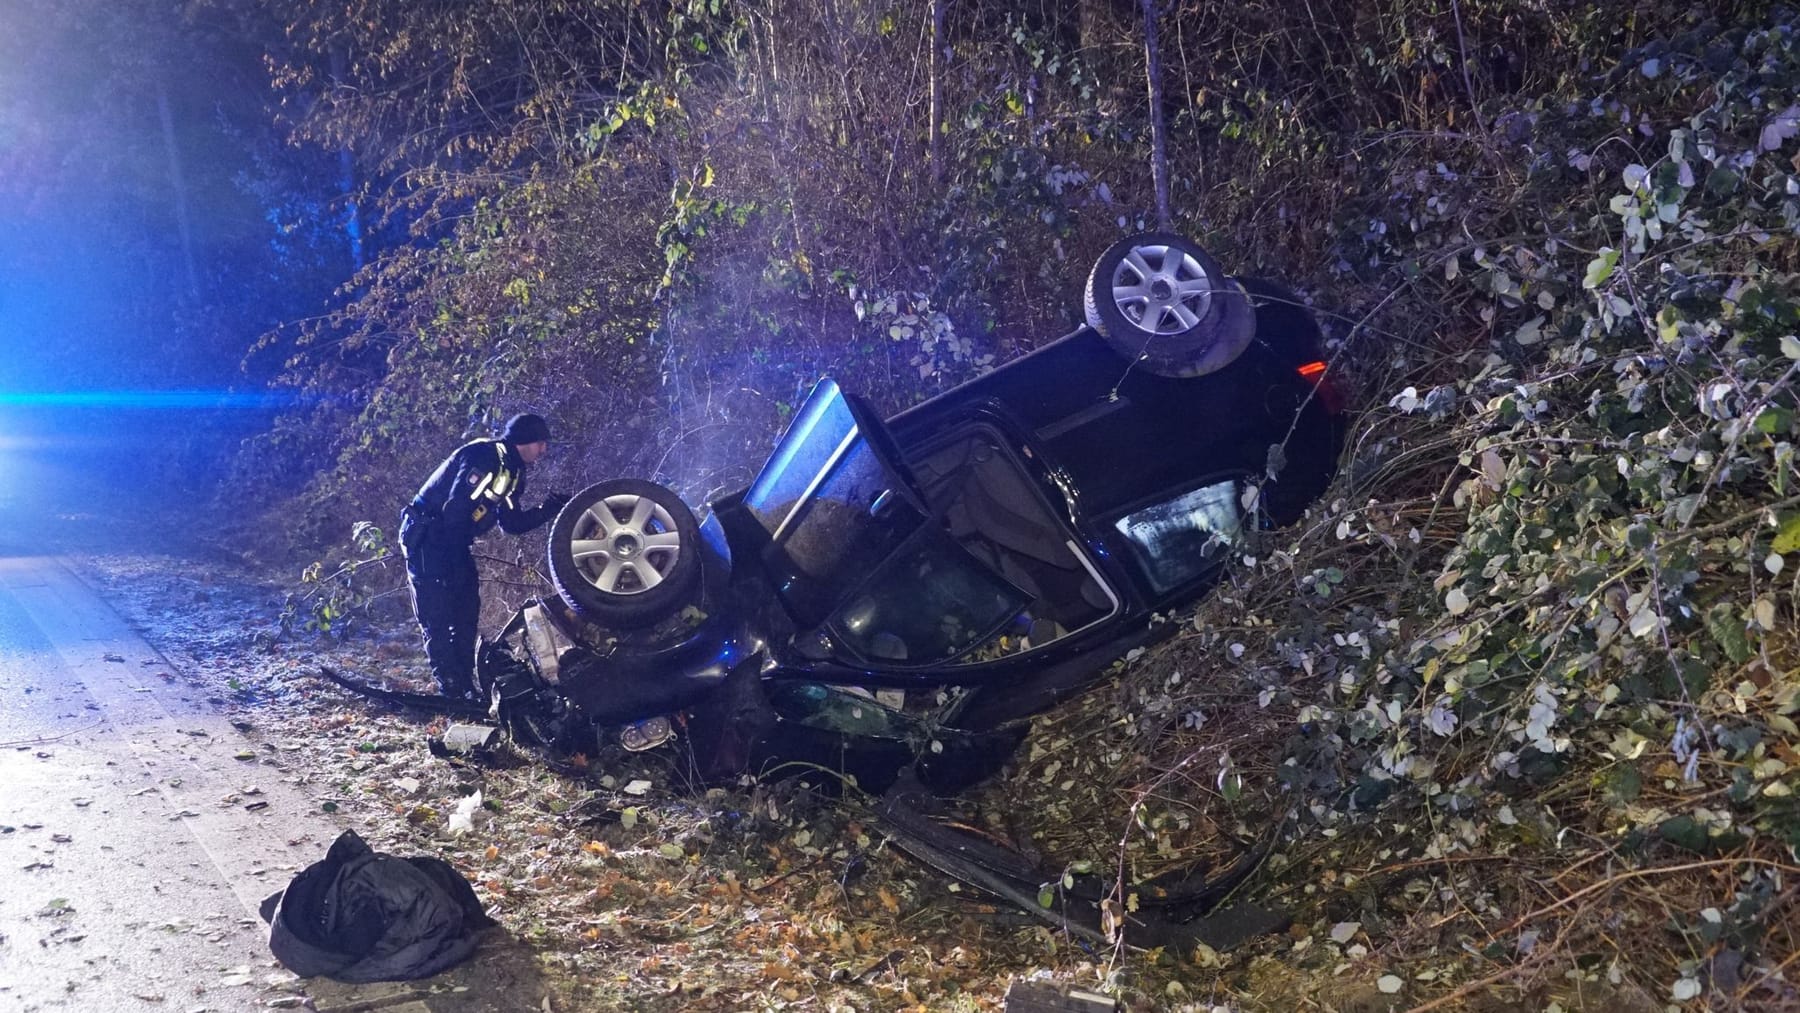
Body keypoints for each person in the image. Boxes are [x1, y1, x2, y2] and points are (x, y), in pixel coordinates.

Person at [399, 413, 569, 698]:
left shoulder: (513, 471)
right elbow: (455, 509)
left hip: (454, 544)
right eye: (540, 443)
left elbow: (512, 524)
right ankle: (451, 686)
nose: (544, 451)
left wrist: (550, 509)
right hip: (427, 539)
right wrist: (460, 543)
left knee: (466, 611)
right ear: (524, 441)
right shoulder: (484, 455)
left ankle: (466, 685)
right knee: (438, 615)